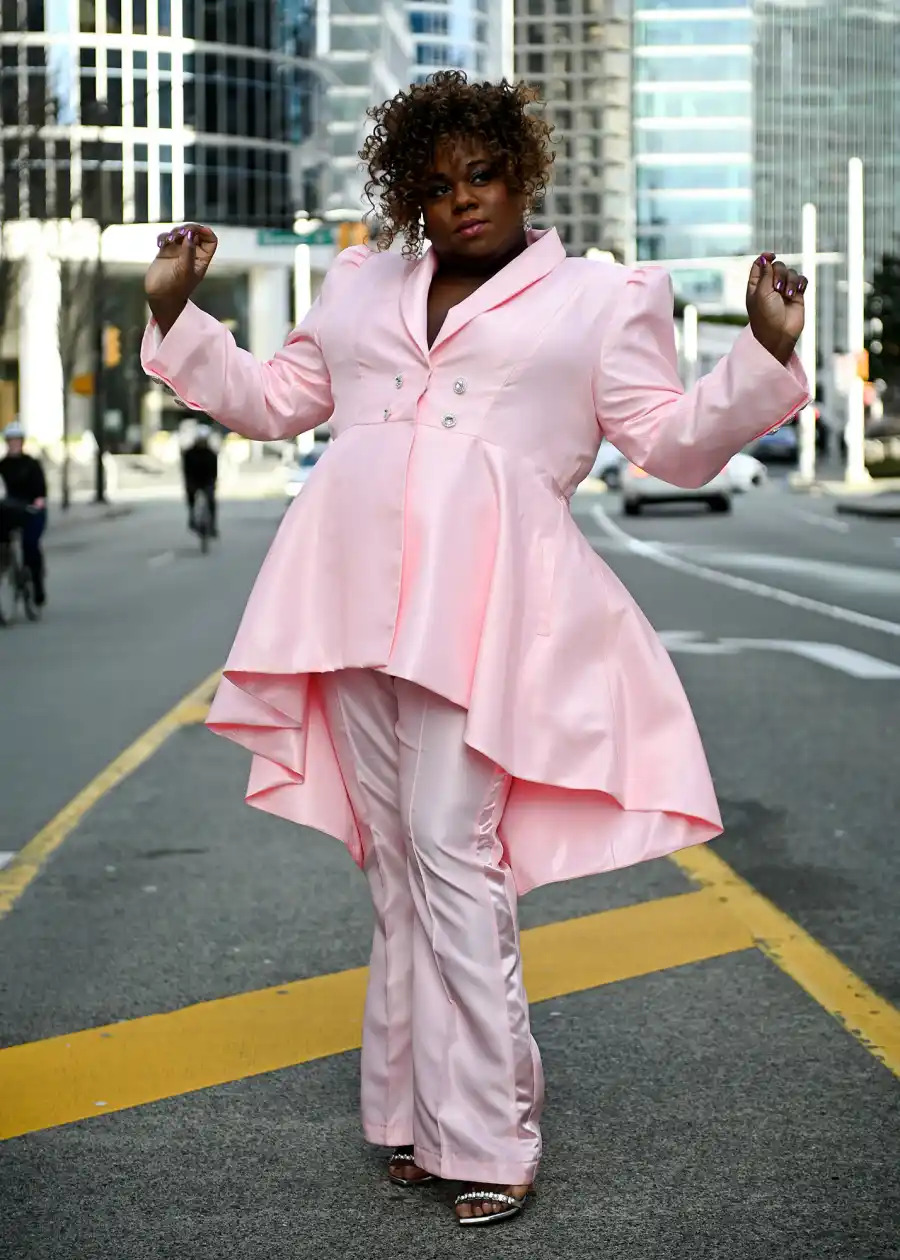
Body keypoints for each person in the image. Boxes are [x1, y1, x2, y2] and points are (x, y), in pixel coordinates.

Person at [141, 71, 809, 1227]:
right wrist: (173, 316)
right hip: (347, 593)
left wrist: (761, 353)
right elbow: (270, 399)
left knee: (454, 848)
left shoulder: (601, 298)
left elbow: (667, 440)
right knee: (395, 861)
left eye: (483, 174)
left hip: (490, 608)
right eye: (438, 182)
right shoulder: (358, 284)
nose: (463, 200)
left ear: (522, 173)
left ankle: (492, 1133)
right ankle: (409, 1118)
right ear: (411, 193)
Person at [0, 421, 48, 607]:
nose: (14, 444)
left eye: (17, 440)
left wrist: (38, 501)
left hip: (31, 509)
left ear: (22, 442)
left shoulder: (31, 464)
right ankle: (6, 568)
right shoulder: (2, 466)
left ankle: (37, 584)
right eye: (11, 440)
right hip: (8, 510)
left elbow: (41, 489)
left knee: (30, 545)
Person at [181, 422, 218, 537]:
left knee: (211, 500)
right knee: (190, 496)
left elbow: (214, 471)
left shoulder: (211, 454)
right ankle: (192, 516)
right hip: (193, 480)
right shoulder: (189, 453)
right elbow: (186, 470)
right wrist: (188, 483)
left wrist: (213, 483)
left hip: (207, 481)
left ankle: (212, 525)